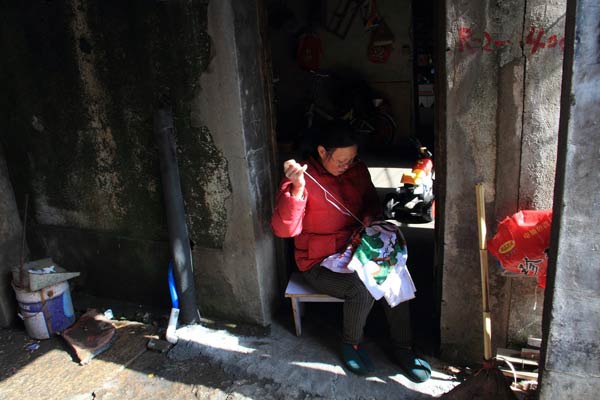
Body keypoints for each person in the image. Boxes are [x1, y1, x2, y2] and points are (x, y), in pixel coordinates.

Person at [270, 121, 431, 382]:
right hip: (318, 260)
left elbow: (370, 201)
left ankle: (404, 346)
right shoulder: (303, 179)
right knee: (361, 287)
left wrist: (370, 217)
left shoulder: (357, 170)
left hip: (356, 245)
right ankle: (351, 344)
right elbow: (284, 230)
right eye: (341, 160)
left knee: (395, 273)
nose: (348, 165)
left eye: (352, 159)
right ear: (323, 152)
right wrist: (297, 189)